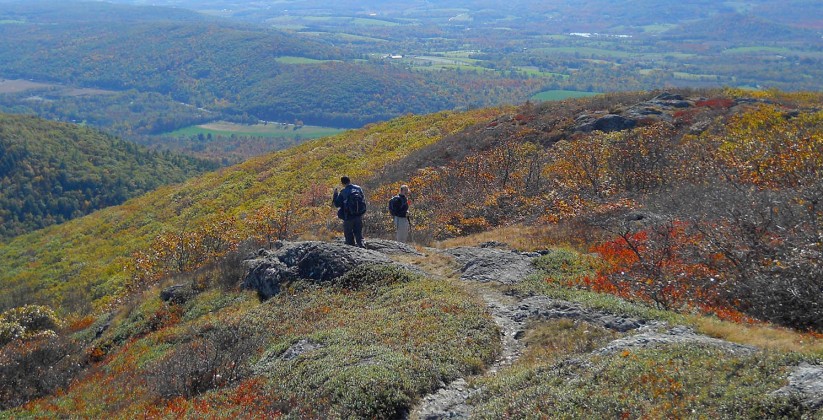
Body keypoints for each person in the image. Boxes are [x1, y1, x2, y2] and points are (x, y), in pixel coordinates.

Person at [332, 176, 366, 247]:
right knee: (359, 234)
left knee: (348, 235)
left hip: (348, 217)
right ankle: (362, 247)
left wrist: (335, 195)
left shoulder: (343, 192)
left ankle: (351, 251)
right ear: (349, 181)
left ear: (342, 183)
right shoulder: (358, 188)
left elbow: (337, 204)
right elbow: (363, 200)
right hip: (359, 216)